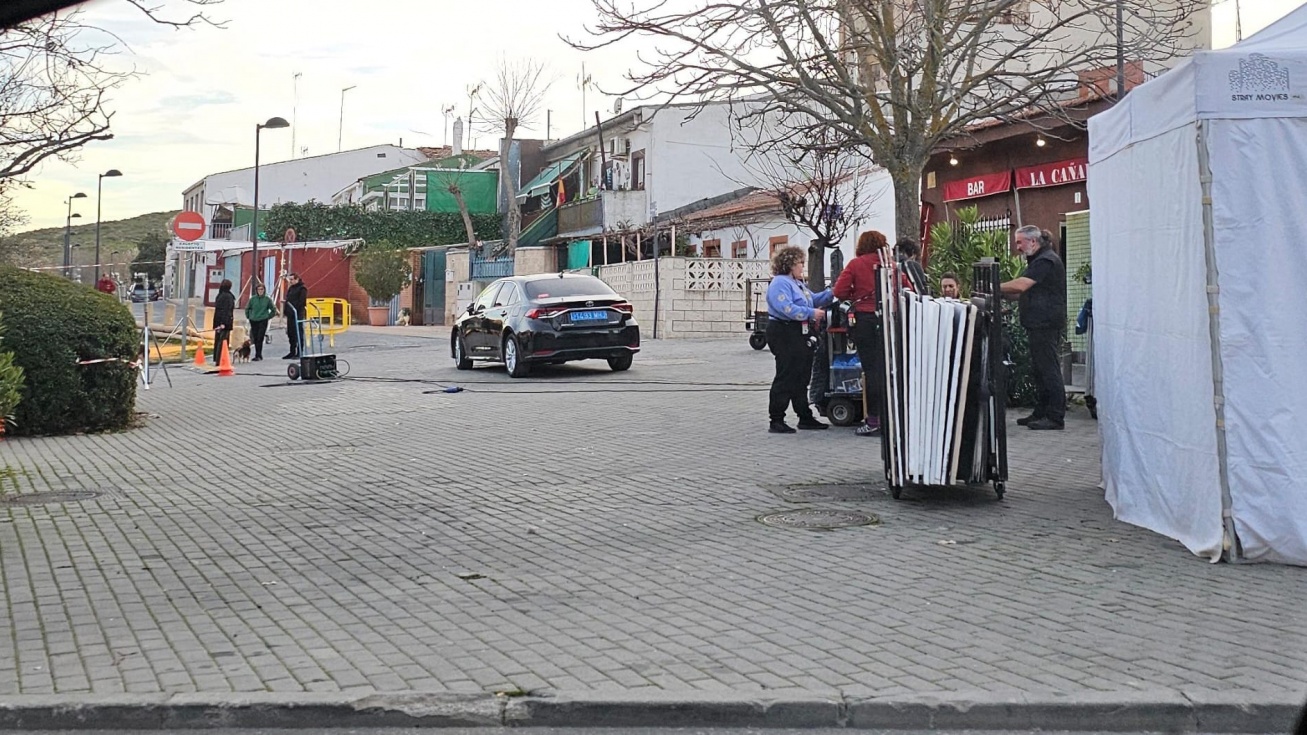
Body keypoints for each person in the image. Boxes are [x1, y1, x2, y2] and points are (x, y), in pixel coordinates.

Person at [834, 230, 909, 437]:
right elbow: (907, 288)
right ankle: (894, 416)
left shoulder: (856, 264)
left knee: (872, 370)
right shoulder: (892, 266)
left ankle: (874, 419)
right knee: (890, 368)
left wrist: (856, 296)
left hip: (865, 321)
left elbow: (839, 292)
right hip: (891, 319)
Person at [1001, 225, 1067, 430]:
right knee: (1039, 370)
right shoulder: (1038, 261)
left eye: (1019, 242)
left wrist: (993, 284)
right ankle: (1042, 411)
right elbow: (1022, 292)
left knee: (1048, 369)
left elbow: (1022, 285)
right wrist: (1002, 293)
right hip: (1037, 322)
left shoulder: (1046, 260)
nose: (1017, 247)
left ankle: (1055, 416)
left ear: (1033, 241)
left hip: (1045, 323)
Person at [765, 245, 834, 434]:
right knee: (786, 374)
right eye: (799, 263)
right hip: (784, 332)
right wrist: (811, 313)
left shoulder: (797, 284)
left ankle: (804, 415)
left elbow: (812, 299)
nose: (802, 267)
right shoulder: (780, 283)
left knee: (801, 375)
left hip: (798, 332)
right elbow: (786, 308)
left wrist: (832, 293)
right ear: (789, 264)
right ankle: (776, 418)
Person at [244, 282, 276, 362]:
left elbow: (273, 309)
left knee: (260, 337)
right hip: (253, 320)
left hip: (263, 320)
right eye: (259, 289)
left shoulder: (267, 299)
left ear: (264, 290)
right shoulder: (253, 299)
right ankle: (257, 354)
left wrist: (268, 317)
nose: (260, 291)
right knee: (255, 337)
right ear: (256, 290)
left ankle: (258, 354)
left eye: (262, 289)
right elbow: (247, 308)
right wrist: (249, 316)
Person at [282, 272, 308, 360]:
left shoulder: (302, 288)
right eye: (290, 280)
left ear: (297, 279)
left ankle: (299, 351)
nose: (291, 281)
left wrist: (294, 308)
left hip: (297, 314)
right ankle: (292, 351)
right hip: (290, 314)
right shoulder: (291, 288)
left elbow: (302, 302)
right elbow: (288, 299)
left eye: (292, 279)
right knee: (291, 333)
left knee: (298, 333)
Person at [212, 279, 236, 364]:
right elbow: (227, 311)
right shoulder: (228, 297)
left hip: (218, 321)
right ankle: (221, 359)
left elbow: (218, 311)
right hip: (225, 323)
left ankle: (217, 358)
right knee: (223, 342)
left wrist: (217, 324)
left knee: (218, 340)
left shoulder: (219, 295)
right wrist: (224, 323)